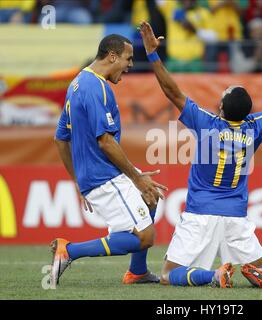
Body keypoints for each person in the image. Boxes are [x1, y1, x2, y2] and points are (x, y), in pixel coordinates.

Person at [139, 21, 262, 288]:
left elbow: (171, 91)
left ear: (221, 106)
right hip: (237, 217)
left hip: (200, 214)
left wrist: (153, 54)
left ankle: (213, 275)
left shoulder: (206, 122)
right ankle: (251, 269)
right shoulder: (255, 126)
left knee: (167, 275)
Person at [52, 34, 167, 286]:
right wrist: (135, 178)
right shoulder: (97, 87)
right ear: (112, 56)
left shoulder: (77, 83)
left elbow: (61, 138)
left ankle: (137, 272)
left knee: (150, 196)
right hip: (104, 175)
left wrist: (77, 181)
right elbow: (105, 141)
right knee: (145, 237)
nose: (130, 65)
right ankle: (68, 251)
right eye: (128, 58)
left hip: (95, 174)